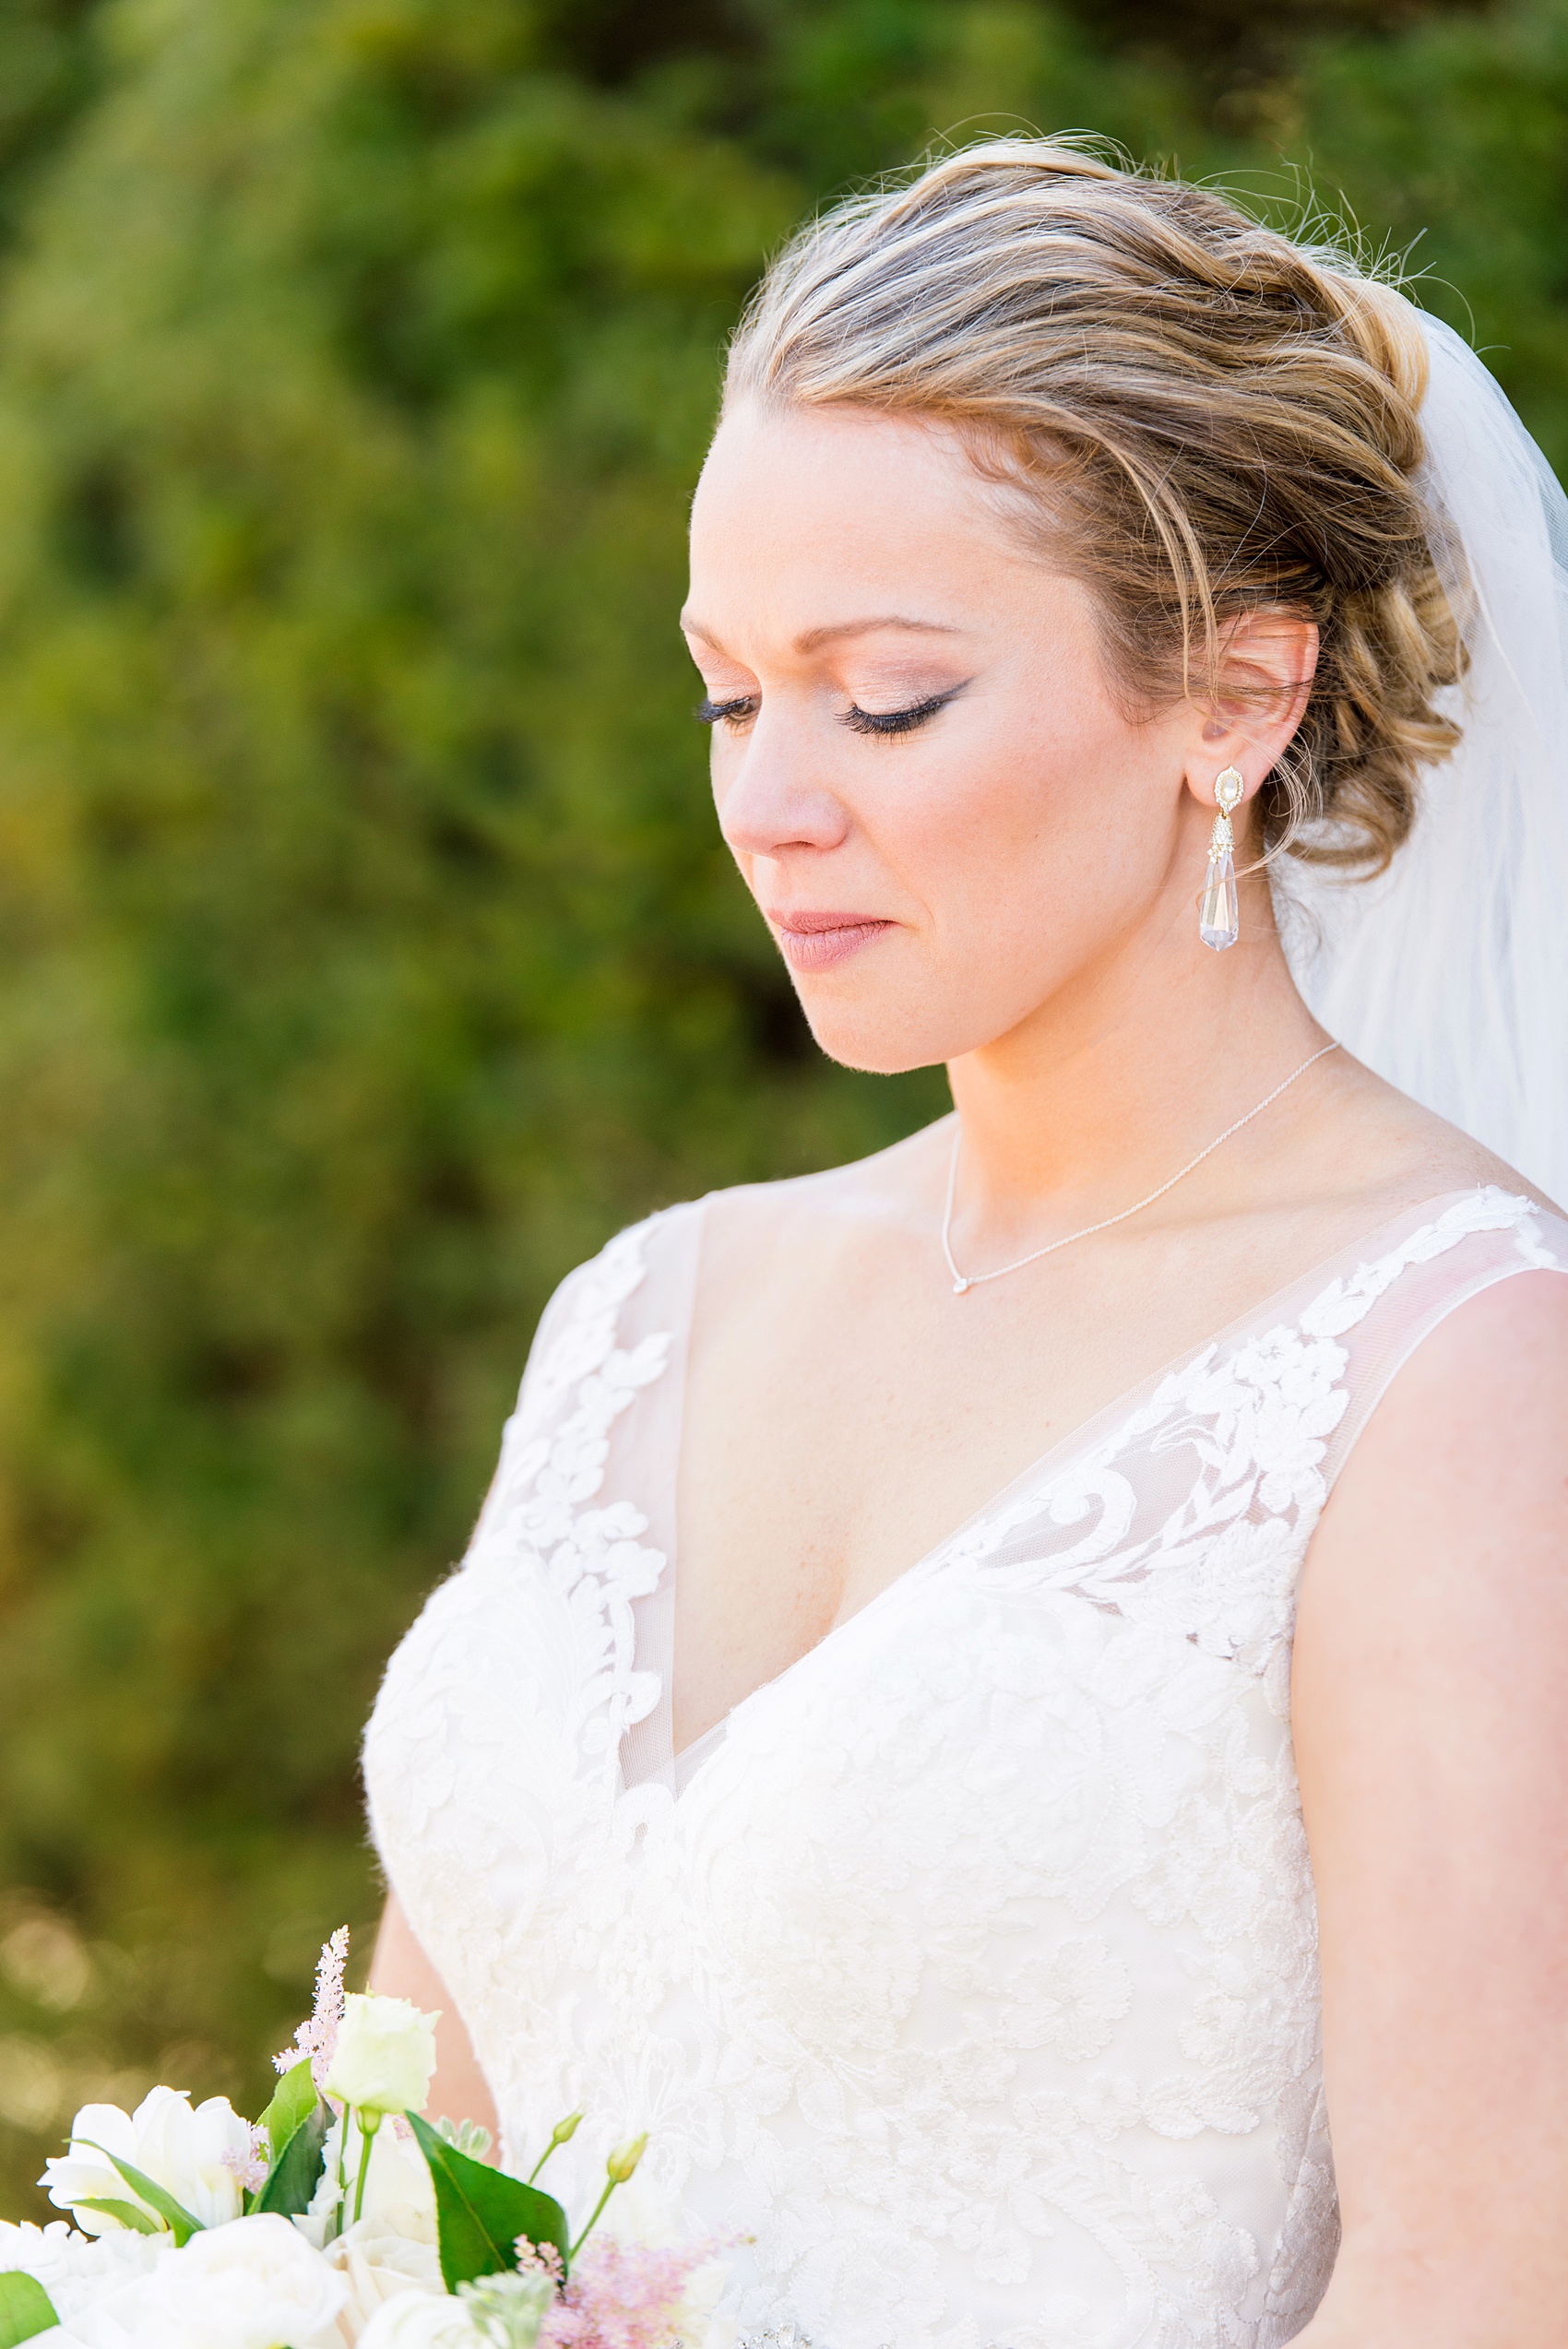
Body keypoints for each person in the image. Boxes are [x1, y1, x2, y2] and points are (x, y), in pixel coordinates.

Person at [362, 141, 1568, 2349]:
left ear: (1234, 695)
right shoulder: (646, 1309)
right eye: (730, 691)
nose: (768, 797)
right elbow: (381, 2176)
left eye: (885, 697)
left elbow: (1481, 2285)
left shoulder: (1454, 1370)